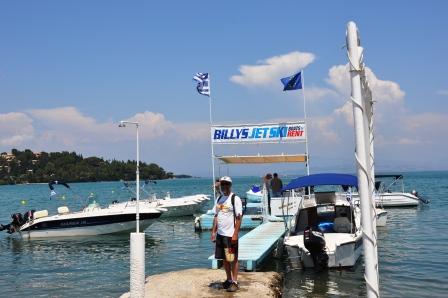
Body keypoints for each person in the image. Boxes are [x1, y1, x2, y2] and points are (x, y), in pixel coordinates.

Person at [211, 176, 243, 293]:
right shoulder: (219, 198)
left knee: (232, 259)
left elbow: (239, 218)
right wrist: (213, 231)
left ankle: (234, 282)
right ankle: (228, 280)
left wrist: (235, 234)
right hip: (220, 234)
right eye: (222, 184)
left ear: (230, 185)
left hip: (230, 235)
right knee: (224, 258)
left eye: (226, 184)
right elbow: (216, 216)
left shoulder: (235, 198)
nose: (224, 186)